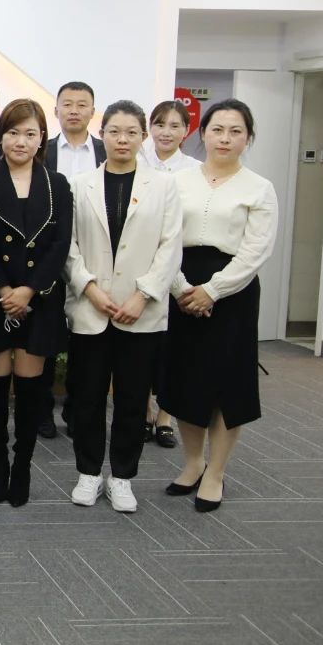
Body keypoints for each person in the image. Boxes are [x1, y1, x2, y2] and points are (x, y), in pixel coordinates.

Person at [64, 100, 182, 513]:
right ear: (103, 135)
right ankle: (88, 472)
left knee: (132, 400)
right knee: (88, 397)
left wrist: (143, 294)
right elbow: (68, 246)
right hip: (92, 308)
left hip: (140, 311)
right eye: (114, 131)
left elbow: (170, 247)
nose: (122, 139)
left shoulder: (164, 186)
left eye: (132, 132)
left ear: (143, 137)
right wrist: (90, 288)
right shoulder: (80, 184)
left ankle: (123, 477)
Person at [161, 100, 277, 512]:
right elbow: (164, 238)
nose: (225, 138)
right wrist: (181, 288)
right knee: (186, 377)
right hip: (181, 283)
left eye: (235, 131)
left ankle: (216, 472)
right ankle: (193, 463)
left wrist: (212, 290)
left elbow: (255, 251)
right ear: (203, 133)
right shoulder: (176, 181)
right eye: (217, 129)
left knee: (227, 383)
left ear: (248, 138)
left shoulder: (259, 188)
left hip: (233, 293)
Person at [0, 99, 73, 507]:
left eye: (30, 133)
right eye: (13, 132)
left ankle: (24, 465)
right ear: (0, 137)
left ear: (41, 139)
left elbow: (59, 244)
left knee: (32, 389)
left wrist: (29, 291)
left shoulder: (57, 184)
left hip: (39, 299)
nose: (21, 141)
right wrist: (4, 290)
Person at [40, 81, 108, 439]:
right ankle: (43, 411)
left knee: (87, 339)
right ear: (56, 110)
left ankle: (76, 408)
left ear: (92, 112)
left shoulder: (107, 150)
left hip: (94, 253)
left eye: (82, 105)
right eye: (67, 104)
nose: (74, 110)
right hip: (51, 251)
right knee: (49, 336)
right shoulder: (43, 150)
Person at [140, 99, 201, 448]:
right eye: (160, 124)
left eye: (175, 126)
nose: (166, 132)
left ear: (186, 131)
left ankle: (165, 416)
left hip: (181, 262)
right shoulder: (136, 161)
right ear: (150, 128)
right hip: (140, 263)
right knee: (142, 345)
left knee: (172, 345)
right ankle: (144, 410)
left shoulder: (195, 170)